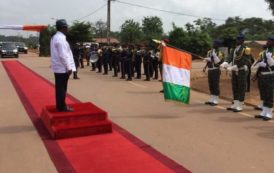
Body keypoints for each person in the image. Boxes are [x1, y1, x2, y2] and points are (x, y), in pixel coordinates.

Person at [220, 35, 252, 112]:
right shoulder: (234, 49)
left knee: (241, 87)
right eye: (236, 39)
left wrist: (234, 66)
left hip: (241, 71)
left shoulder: (246, 49)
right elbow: (230, 57)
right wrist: (225, 63)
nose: (237, 41)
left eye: (239, 39)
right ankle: (235, 103)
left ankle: (240, 105)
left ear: (242, 40)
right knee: (235, 87)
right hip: (234, 71)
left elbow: (247, 61)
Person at [50, 19, 76, 112]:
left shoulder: (55, 37)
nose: (67, 29)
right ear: (63, 28)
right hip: (62, 68)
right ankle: (62, 107)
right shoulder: (61, 39)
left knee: (59, 88)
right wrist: (69, 67)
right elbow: (63, 55)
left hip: (58, 67)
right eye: (66, 27)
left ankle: (59, 106)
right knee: (62, 88)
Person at [254, 37, 274, 121]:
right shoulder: (264, 52)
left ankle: (269, 113)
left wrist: (269, 60)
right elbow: (259, 65)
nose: (267, 42)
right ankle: (264, 112)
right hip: (262, 76)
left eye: (270, 41)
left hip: (270, 75)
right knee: (263, 94)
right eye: (267, 41)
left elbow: (273, 66)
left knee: (269, 95)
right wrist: (256, 75)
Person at [204, 40, 224, 106]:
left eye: (215, 43)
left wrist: (213, 58)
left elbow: (219, 62)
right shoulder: (209, 52)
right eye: (213, 43)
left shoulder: (220, 53)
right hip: (210, 69)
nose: (213, 44)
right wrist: (205, 66)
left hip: (215, 70)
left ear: (218, 45)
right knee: (211, 84)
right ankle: (212, 98)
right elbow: (208, 61)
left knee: (215, 85)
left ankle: (216, 100)